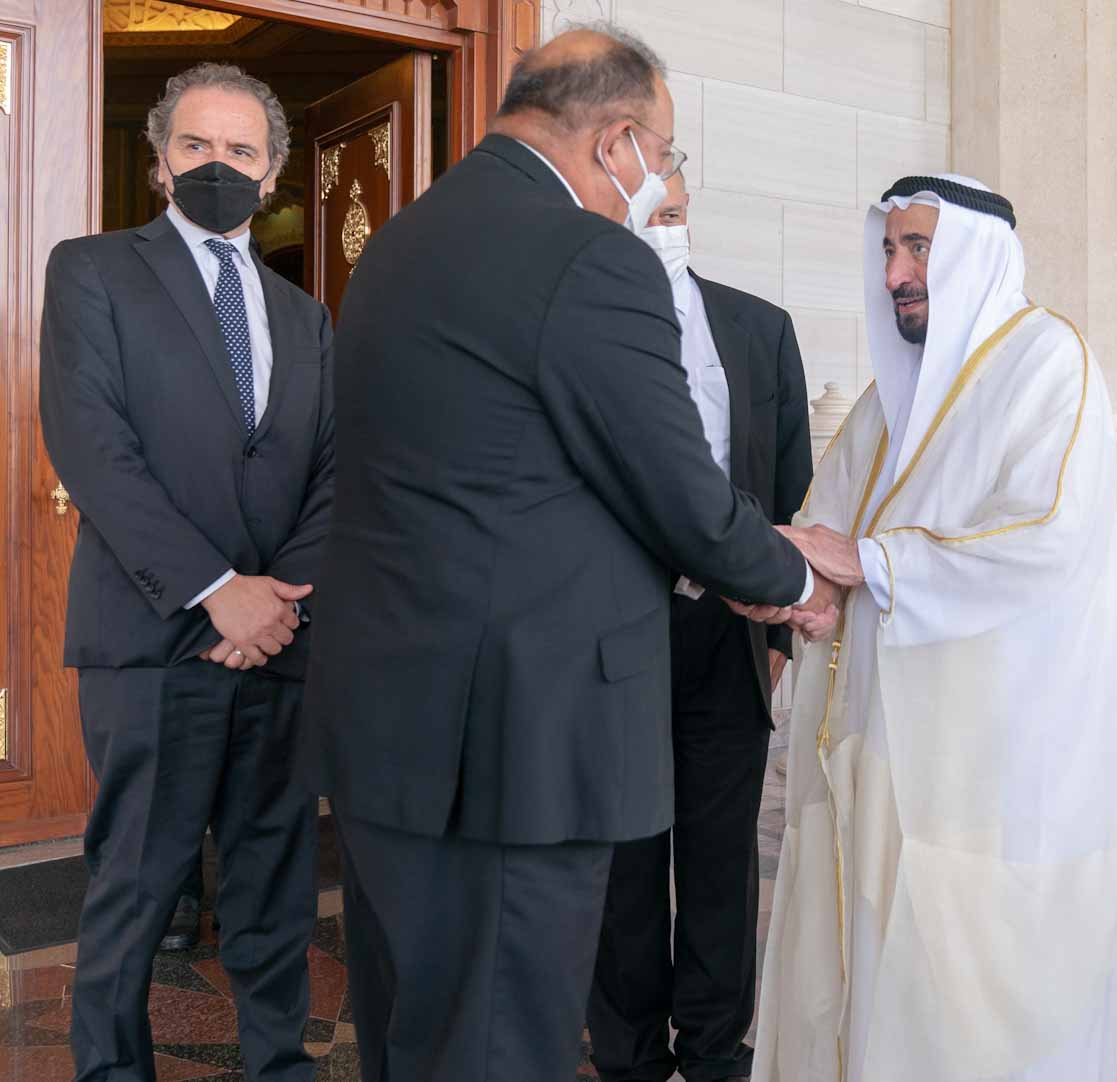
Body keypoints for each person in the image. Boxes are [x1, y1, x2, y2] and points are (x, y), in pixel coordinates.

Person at [300, 27, 839, 1082]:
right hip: (515, 738)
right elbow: (677, 489)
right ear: (617, 142)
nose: (665, 181)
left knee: (412, 1029)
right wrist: (797, 577)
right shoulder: (591, 257)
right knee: (499, 1042)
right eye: (667, 155)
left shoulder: (403, 238)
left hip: (389, 725)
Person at [748, 175, 1117, 1082]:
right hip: (882, 750)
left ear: (974, 254)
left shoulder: (1048, 362)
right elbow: (827, 527)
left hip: (996, 773)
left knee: (971, 1004)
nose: (896, 273)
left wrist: (864, 564)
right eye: (889, 250)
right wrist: (795, 586)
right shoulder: (889, 399)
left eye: (918, 248)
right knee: (872, 973)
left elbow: (1044, 538)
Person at [40, 62, 333, 1081]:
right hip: (153, 636)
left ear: (274, 171)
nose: (220, 164)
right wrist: (219, 593)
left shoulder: (307, 316)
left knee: (275, 886)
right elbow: (92, 448)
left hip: (280, 646)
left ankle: (279, 1064)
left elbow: (336, 471)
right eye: (197, 145)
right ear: (160, 161)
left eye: (242, 150)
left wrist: (276, 605)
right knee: (136, 886)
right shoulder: (92, 271)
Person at [587, 172, 814, 1082]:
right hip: (617, 637)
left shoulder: (760, 328)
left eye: (674, 213)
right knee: (625, 862)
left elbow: (792, 491)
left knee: (723, 859)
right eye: (647, 216)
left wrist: (779, 637)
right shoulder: (581, 329)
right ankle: (628, 1052)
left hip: (730, 632)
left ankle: (716, 1049)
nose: (663, 229)